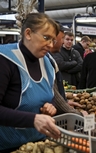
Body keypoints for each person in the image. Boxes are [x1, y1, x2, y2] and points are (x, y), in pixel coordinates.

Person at [0, 13, 60, 152]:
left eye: (53, 40)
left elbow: (53, 96)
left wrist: (51, 105)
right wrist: (33, 119)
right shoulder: (5, 60)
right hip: (7, 147)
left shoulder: (48, 63)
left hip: (38, 146)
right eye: (46, 38)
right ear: (28, 34)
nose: (51, 45)